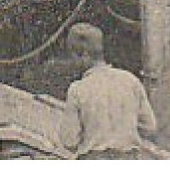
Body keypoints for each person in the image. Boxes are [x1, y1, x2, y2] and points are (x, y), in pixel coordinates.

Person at [59, 24, 158, 160]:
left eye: (73, 57)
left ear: (84, 55)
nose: (72, 63)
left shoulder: (78, 89)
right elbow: (150, 127)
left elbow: (69, 141)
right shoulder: (130, 81)